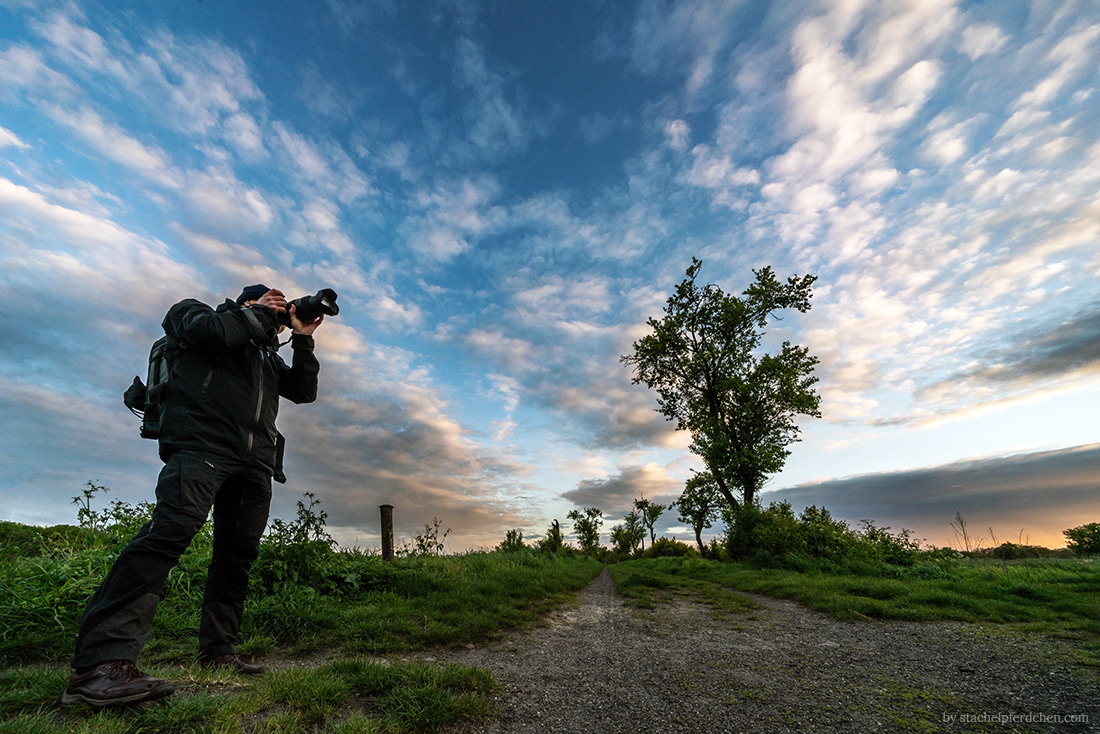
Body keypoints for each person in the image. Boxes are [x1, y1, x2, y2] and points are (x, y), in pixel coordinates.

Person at [62, 285, 323, 707]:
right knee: (167, 535)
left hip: (255, 461)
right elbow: (210, 331)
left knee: (236, 557)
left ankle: (218, 651)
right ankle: (100, 665)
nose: (277, 309)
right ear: (245, 304)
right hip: (201, 448)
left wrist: (304, 337)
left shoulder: (265, 356)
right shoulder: (196, 315)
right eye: (270, 302)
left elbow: (304, 391)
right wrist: (257, 314)